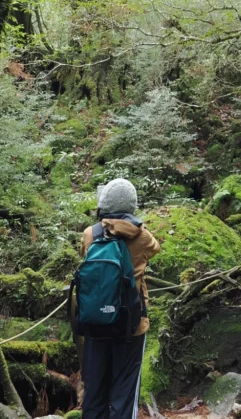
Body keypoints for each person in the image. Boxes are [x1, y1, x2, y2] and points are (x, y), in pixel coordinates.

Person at [80, 178, 161, 419]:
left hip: (95, 322)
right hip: (130, 326)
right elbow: (155, 249)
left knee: (94, 393)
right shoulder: (142, 237)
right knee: (124, 394)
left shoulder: (90, 234)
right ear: (131, 205)